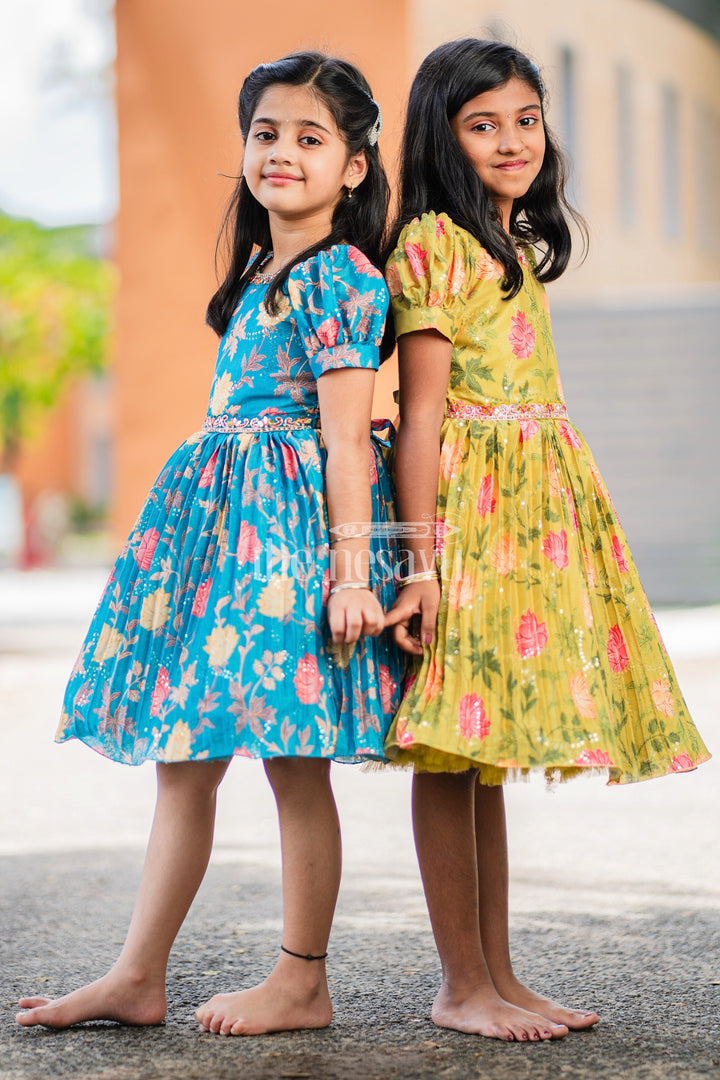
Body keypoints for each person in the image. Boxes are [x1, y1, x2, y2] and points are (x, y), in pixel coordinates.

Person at [17, 50, 402, 1037]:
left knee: (290, 761)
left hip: (283, 550)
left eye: (310, 138)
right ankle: (137, 975)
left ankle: (303, 981)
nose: (281, 152)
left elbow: (348, 438)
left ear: (354, 166)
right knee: (183, 759)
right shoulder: (259, 275)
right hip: (217, 545)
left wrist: (353, 571)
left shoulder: (342, 279)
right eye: (266, 134)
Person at [383, 38, 710, 1044]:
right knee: (450, 754)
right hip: (473, 517)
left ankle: (498, 974)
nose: (513, 140)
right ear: (443, 138)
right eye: (484, 124)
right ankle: (458, 983)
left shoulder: (510, 244)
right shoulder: (434, 241)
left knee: (486, 755)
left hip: (535, 513)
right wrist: (420, 559)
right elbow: (424, 413)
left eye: (527, 119)